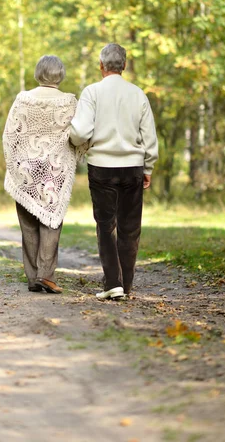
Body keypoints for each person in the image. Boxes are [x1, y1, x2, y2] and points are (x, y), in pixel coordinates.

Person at [70, 43, 158, 300]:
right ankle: (126, 285)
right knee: (130, 227)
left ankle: (112, 283)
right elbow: (149, 136)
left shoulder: (91, 92)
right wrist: (148, 166)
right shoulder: (138, 94)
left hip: (102, 168)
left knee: (106, 226)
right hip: (132, 167)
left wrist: (76, 142)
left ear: (101, 66)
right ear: (124, 66)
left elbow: (80, 131)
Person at [2, 55, 82, 294]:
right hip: (54, 170)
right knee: (51, 221)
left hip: (26, 168)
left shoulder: (23, 99)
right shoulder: (69, 101)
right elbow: (78, 133)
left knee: (28, 223)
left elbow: (10, 135)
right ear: (60, 74)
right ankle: (45, 275)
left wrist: (14, 164)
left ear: (38, 74)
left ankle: (33, 277)